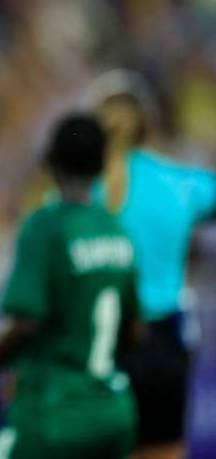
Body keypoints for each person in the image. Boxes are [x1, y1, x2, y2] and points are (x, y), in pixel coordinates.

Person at [0, 114, 142, 459]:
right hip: (112, 412)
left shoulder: (45, 226)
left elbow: (25, 323)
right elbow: (134, 332)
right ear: (102, 165)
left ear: (51, 162)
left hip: (51, 411)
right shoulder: (116, 230)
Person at [91, 70, 216, 459]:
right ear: (150, 126)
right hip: (166, 343)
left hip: (101, 342)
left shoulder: (81, 190)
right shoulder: (181, 183)